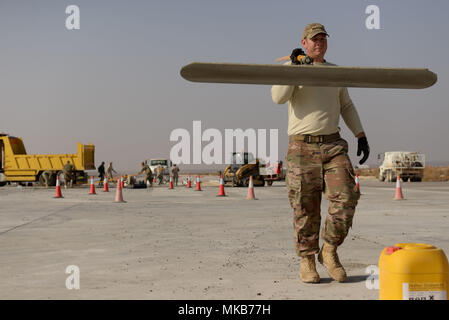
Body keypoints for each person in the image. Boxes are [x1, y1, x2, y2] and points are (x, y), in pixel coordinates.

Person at [271, 23, 370, 284]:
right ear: (304, 43)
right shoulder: (292, 68)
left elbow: (346, 105)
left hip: (333, 145)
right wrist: (294, 68)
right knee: (305, 206)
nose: (319, 43)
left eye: (323, 38)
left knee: (347, 196)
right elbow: (278, 97)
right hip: (301, 147)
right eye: (314, 39)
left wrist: (360, 134)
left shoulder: (336, 73)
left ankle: (329, 250)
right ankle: (307, 260)